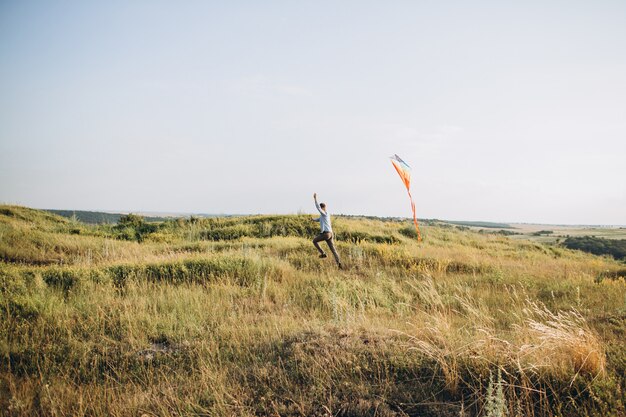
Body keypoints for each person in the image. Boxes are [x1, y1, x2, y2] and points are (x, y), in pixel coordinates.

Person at [312, 193, 342, 269]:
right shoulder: (326, 214)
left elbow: (318, 208)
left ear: (322, 208)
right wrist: (313, 220)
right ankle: (339, 264)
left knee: (314, 241)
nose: (322, 209)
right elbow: (319, 219)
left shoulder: (324, 213)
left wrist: (315, 199)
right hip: (331, 234)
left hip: (326, 234)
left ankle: (323, 253)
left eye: (322, 208)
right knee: (333, 250)